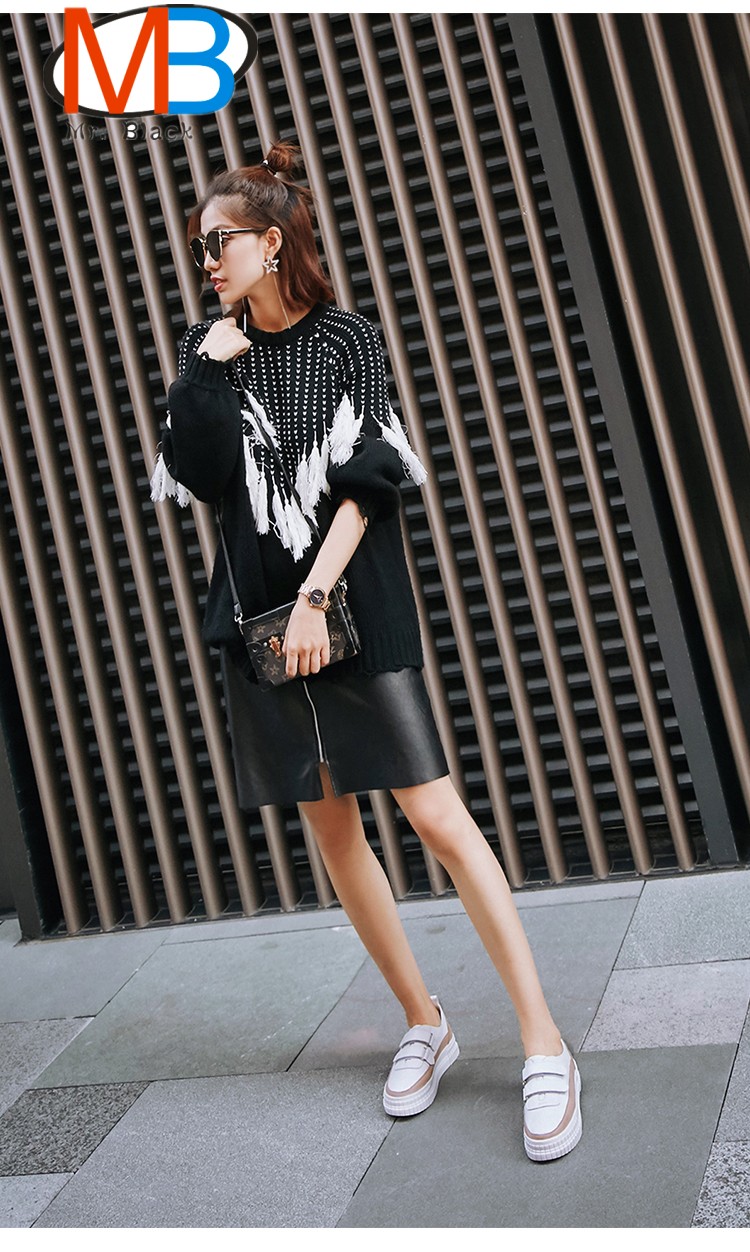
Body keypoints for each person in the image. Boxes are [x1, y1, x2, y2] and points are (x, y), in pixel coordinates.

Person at [150, 141, 583, 1162]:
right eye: (197, 247)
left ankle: (545, 1042)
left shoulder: (345, 337)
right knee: (333, 827)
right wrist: (205, 371)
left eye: (219, 243)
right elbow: (198, 475)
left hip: (347, 608)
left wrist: (316, 597)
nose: (205, 261)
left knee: (434, 815)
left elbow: (369, 478)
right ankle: (424, 1021)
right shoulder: (209, 348)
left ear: (272, 241)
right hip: (261, 628)